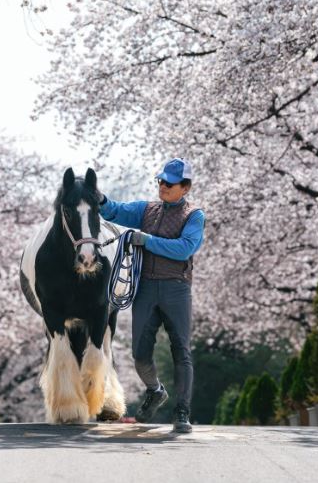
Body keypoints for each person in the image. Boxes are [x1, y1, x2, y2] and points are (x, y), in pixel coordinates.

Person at [98, 158, 205, 433]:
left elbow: (184, 249)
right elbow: (115, 212)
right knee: (139, 354)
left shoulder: (195, 216)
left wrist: (146, 241)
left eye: (169, 183)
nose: (163, 186)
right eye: (161, 181)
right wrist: (100, 199)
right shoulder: (146, 209)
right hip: (145, 288)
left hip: (176, 288)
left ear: (185, 187)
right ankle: (155, 390)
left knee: (180, 349)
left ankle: (182, 411)